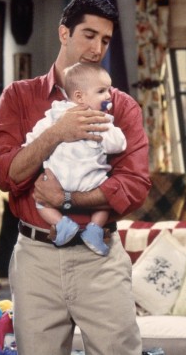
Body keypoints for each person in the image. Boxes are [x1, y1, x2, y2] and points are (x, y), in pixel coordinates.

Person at [0, 0, 151, 355]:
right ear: (64, 33)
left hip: (100, 256)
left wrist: (66, 199)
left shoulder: (121, 106)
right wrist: (57, 133)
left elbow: (134, 186)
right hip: (36, 259)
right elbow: (4, 175)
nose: (97, 48)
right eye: (89, 35)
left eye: (105, 40)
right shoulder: (19, 97)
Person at [24, 62, 127, 255]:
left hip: (58, 180)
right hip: (90, 182)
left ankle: (62, 224)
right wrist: (110, 126)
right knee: (103, 204)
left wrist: (28, 147)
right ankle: (94, 229)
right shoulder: (100, 120)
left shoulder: (55, 113)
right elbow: (118, 145)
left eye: (109, 90)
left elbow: (35, 137)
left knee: (41, 203)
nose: (109, 96)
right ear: (79, 96)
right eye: (101, 91)